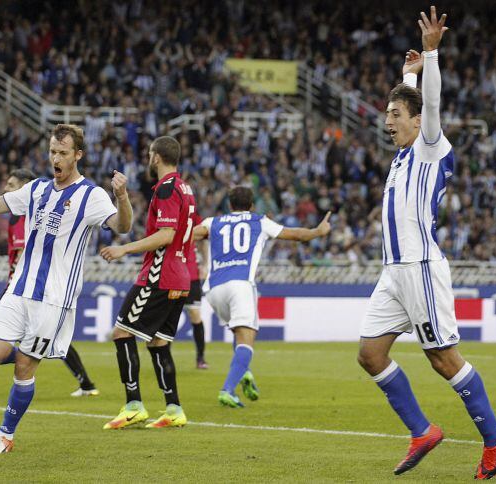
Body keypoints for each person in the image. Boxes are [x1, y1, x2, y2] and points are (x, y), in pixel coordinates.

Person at [356, 7, 496, 479]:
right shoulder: (404, 156)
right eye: (386, 114)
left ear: (417, 120)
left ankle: (494, 436)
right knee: (370, 354)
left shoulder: (429, 146)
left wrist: (431, 53)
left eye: (395, 114)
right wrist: (408, 72)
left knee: (444, 360)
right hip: (393, 272)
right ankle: (422, 431)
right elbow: (413, 97)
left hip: (421, 266)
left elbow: (431, 105)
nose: (388, 121)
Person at [0, 124, 132, 453]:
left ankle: (5, 434)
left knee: (24, 367)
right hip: (19, 289)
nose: (55, 158)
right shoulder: (35, 189)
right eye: (52, 151)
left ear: (78, 155)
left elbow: (122, 226)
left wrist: (122, 196)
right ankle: (39, 352)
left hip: (55, 299)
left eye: (62, 153)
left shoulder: (91, 195)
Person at [193, 186, 331, 408]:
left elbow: (188, 236)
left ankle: (244, 373)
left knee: (238, 332)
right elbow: (295, 235)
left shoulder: (212, 222)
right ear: (252, 205)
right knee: (247, 338)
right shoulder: (259, 221)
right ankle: (228, 389)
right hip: (240, 284)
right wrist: (318, 231)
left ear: (229, 205)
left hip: (213, 289)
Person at [0, 169, 100, 400]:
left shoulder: (27, 217)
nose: (7, 189)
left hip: (35, 288)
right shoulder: (14, 218)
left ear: (24, 188)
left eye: (12, 185)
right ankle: (84, 380)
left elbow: (30, 253)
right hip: (18, 285)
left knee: (44, 343)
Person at [99, 136, 194, 429]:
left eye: (149, 153)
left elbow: (166, 235)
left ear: (156, 157)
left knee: (121, 334)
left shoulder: (166, 188)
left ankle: (133, 405)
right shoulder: (185, 188)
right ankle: (174, 408)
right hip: (181, 276)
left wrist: (124, 248)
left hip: (160, 275)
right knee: (158, 343)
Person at [184, 209, 209, 369]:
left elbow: (203, 240)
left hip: (190, 273)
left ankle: (200, 358)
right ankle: (163, 356)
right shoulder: (164, 211)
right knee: (166, 317)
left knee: (195, 314)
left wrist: (205, 263)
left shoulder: (193, 216)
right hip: (170, 272)